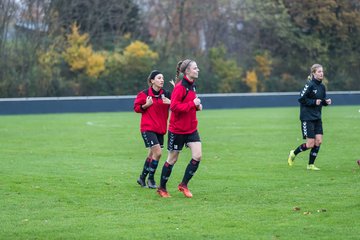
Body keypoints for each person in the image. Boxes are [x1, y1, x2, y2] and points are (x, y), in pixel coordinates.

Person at [157, 59, 203, 198]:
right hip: (177, 130)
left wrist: (197, 106)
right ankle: (162, 188)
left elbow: (189, 104)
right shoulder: (180, 87)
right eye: (195, 68)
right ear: (187, 71)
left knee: (198, 155)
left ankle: (183, 185)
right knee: (172, 159)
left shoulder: (192, 86)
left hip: (191, 129)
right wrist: (192, 104)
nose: (198, 70)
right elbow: (174, 107)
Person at [287, 64, 332, 170]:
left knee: (319, 141)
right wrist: (313, 102)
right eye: (319, 72)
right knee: (310, 144)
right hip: (307, 117)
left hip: (317, 117)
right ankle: (293, 153)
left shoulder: (322, 87)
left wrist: (326, 102)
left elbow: (320, 101)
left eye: (322, 71)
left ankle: (310, 165)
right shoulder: (309, 84)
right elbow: (301, 99)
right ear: (313, 73)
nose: (321, 73)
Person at [134, 70, 171, 188]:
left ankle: (141, 178)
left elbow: (177, 105)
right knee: (158, 153)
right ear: (152, 81)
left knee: (151, 155)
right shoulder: (144, 94)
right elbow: (136, 108)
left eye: (163, 78)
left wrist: (171, 102)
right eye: (159, 78)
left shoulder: (166, 93)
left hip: (160, 129)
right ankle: (151, 179)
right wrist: (146, 105)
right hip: (148, 128)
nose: (162, 80)